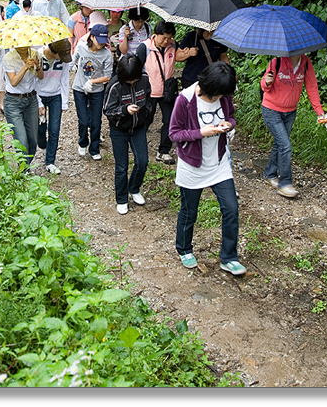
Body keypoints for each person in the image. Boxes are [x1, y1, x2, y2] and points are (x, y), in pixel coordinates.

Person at [169, 62, 246, 276]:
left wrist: (228, 125)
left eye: (224, 95)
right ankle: (184, 249)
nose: (221, 99)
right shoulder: (184, 100)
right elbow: (174, 134)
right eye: (217, 95)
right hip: (192, 164)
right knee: (189, 211)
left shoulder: (224, 95)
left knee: (231, 208)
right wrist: (201, 132)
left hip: (219, 162)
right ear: (207, 87)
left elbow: (230, 117)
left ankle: (229, 257)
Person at [260, 52, 327, 198]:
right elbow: (265, 86)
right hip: (271, 110)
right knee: (285, 145)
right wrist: (267, 82)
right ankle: (285, 184)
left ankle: (269, 173)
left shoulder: (306, 64)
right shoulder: (276, 61)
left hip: (290, 112)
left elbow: (312, 89)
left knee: (280, 144)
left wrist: (322, 115)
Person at [103, 54, 153, 215]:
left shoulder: (144, 79)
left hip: (138, 127)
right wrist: (125, 110)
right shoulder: (114, 85)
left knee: (143, 161)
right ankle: (122, 199)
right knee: (121, 167)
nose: (132, 83)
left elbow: (148, 95)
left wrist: (145, 112)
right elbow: (107, 110)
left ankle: (134, 188)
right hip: (119, 130)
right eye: (129, 80)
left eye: (134, 80)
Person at [136, 21, 178, 164]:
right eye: (163, 38)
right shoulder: (144, 48)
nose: (166, 41)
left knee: (170, 120)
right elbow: (136, 69)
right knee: (147, 119)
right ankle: (137, 143)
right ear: (156, 34)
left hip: (168, 92)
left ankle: (164, 151)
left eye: (169, 38)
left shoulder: (173, 45)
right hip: (150, 92)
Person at [71, 24, 114, 160]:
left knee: (96, 121)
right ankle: (83, 142)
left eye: (103, 43)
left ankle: (94, 148)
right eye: (99, 42)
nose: (101, 45)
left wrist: (92, 82)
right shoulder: (82, 47)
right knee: (83, 120)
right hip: (79, 88)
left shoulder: (107, 54)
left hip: (96, 91)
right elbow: (72, 60)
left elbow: (107, 76)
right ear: (92, 37)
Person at [2, 44, 44, 168]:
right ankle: (24, 172)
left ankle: (25, 166)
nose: (24, 46)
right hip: (13, 101)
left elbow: (41, 77)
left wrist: (37, 66)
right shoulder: (8, 58)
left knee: (33, 139)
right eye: (20, 43)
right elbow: (13, 82)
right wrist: (25, 67)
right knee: (21, 140)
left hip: (31, 99)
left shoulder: (35, 53)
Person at [35, 38, 72, 174]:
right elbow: (32, 81)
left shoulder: (64, 60)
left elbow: (64, 80)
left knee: (54, 130)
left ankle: (50, 161)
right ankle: (42, 145)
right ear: (54, 52)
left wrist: (64, 102)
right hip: (40, 95)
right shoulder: (38, 56)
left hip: (56, 96)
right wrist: (38, 102)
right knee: (40, 129)